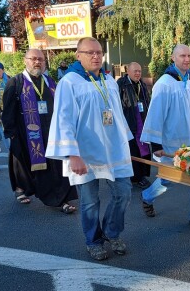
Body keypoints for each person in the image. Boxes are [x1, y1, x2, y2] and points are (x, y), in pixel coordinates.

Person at [46, 37, 134, 261]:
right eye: (90, 53)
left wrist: (125, 142)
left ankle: (111, 232)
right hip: (84, 153)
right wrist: (72, 154)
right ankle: (93, 241)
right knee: (90, 201)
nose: (96, 56)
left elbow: (116, 114)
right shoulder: (70, 82)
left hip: (113, 149)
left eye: (99, 52)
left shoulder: (108, 80)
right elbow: (63, 119)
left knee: (123, 193)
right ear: (78, 55)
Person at [140, 44, 190, 228]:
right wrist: (156, 146)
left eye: (189, 55)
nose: (186, 59)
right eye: (182, 56)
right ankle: (147, 196)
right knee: (169, 179)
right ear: (173, 58)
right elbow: (155, 114)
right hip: (173, 141)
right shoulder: (164, 83)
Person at [1, 49, 78, 212]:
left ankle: (60, 199)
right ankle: (22, 188)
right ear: (25, 60)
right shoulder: (16, 83)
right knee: (24, 165)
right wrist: (11, 133)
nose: (37, 62)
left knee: (54, 166)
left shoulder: (50, 82)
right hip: (26, 133)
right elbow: (7, 110)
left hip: (50, 132)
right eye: (34, 59)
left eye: (41, 60)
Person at [117, 62, 152, 190]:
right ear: (128, 71)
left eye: (139, 71)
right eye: (135, 71)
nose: (138, 73)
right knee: (134, 150)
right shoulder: (121, 84)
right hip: (130, 121)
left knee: (145, 149)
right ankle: (136, 177)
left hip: (142, 120)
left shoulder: (142, 84)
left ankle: (142, 175)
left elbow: (147, 100)